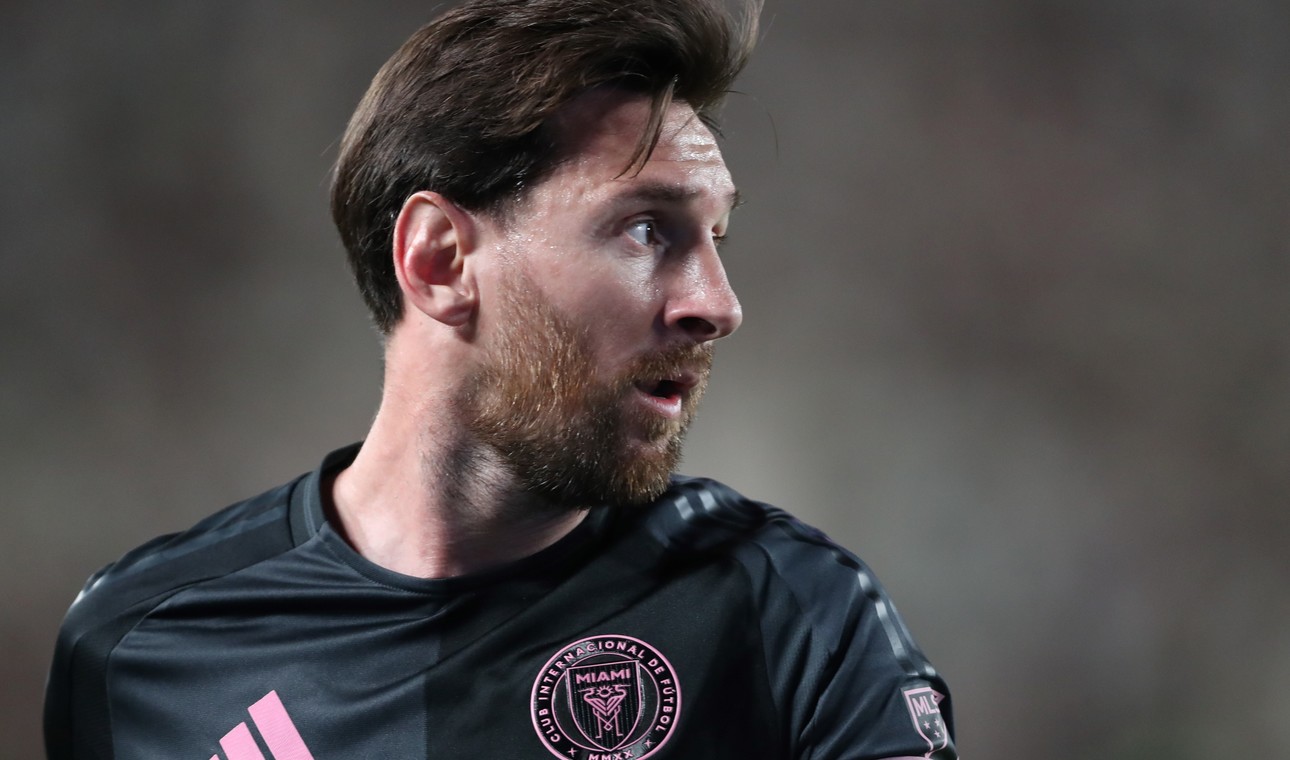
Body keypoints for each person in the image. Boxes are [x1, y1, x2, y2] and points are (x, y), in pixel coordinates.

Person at [44, 1, 957, 758]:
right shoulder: (141, 647)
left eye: (715, 238)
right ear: (439, 261)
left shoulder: (790, 612)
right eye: (647, 229)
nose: (718, 305)